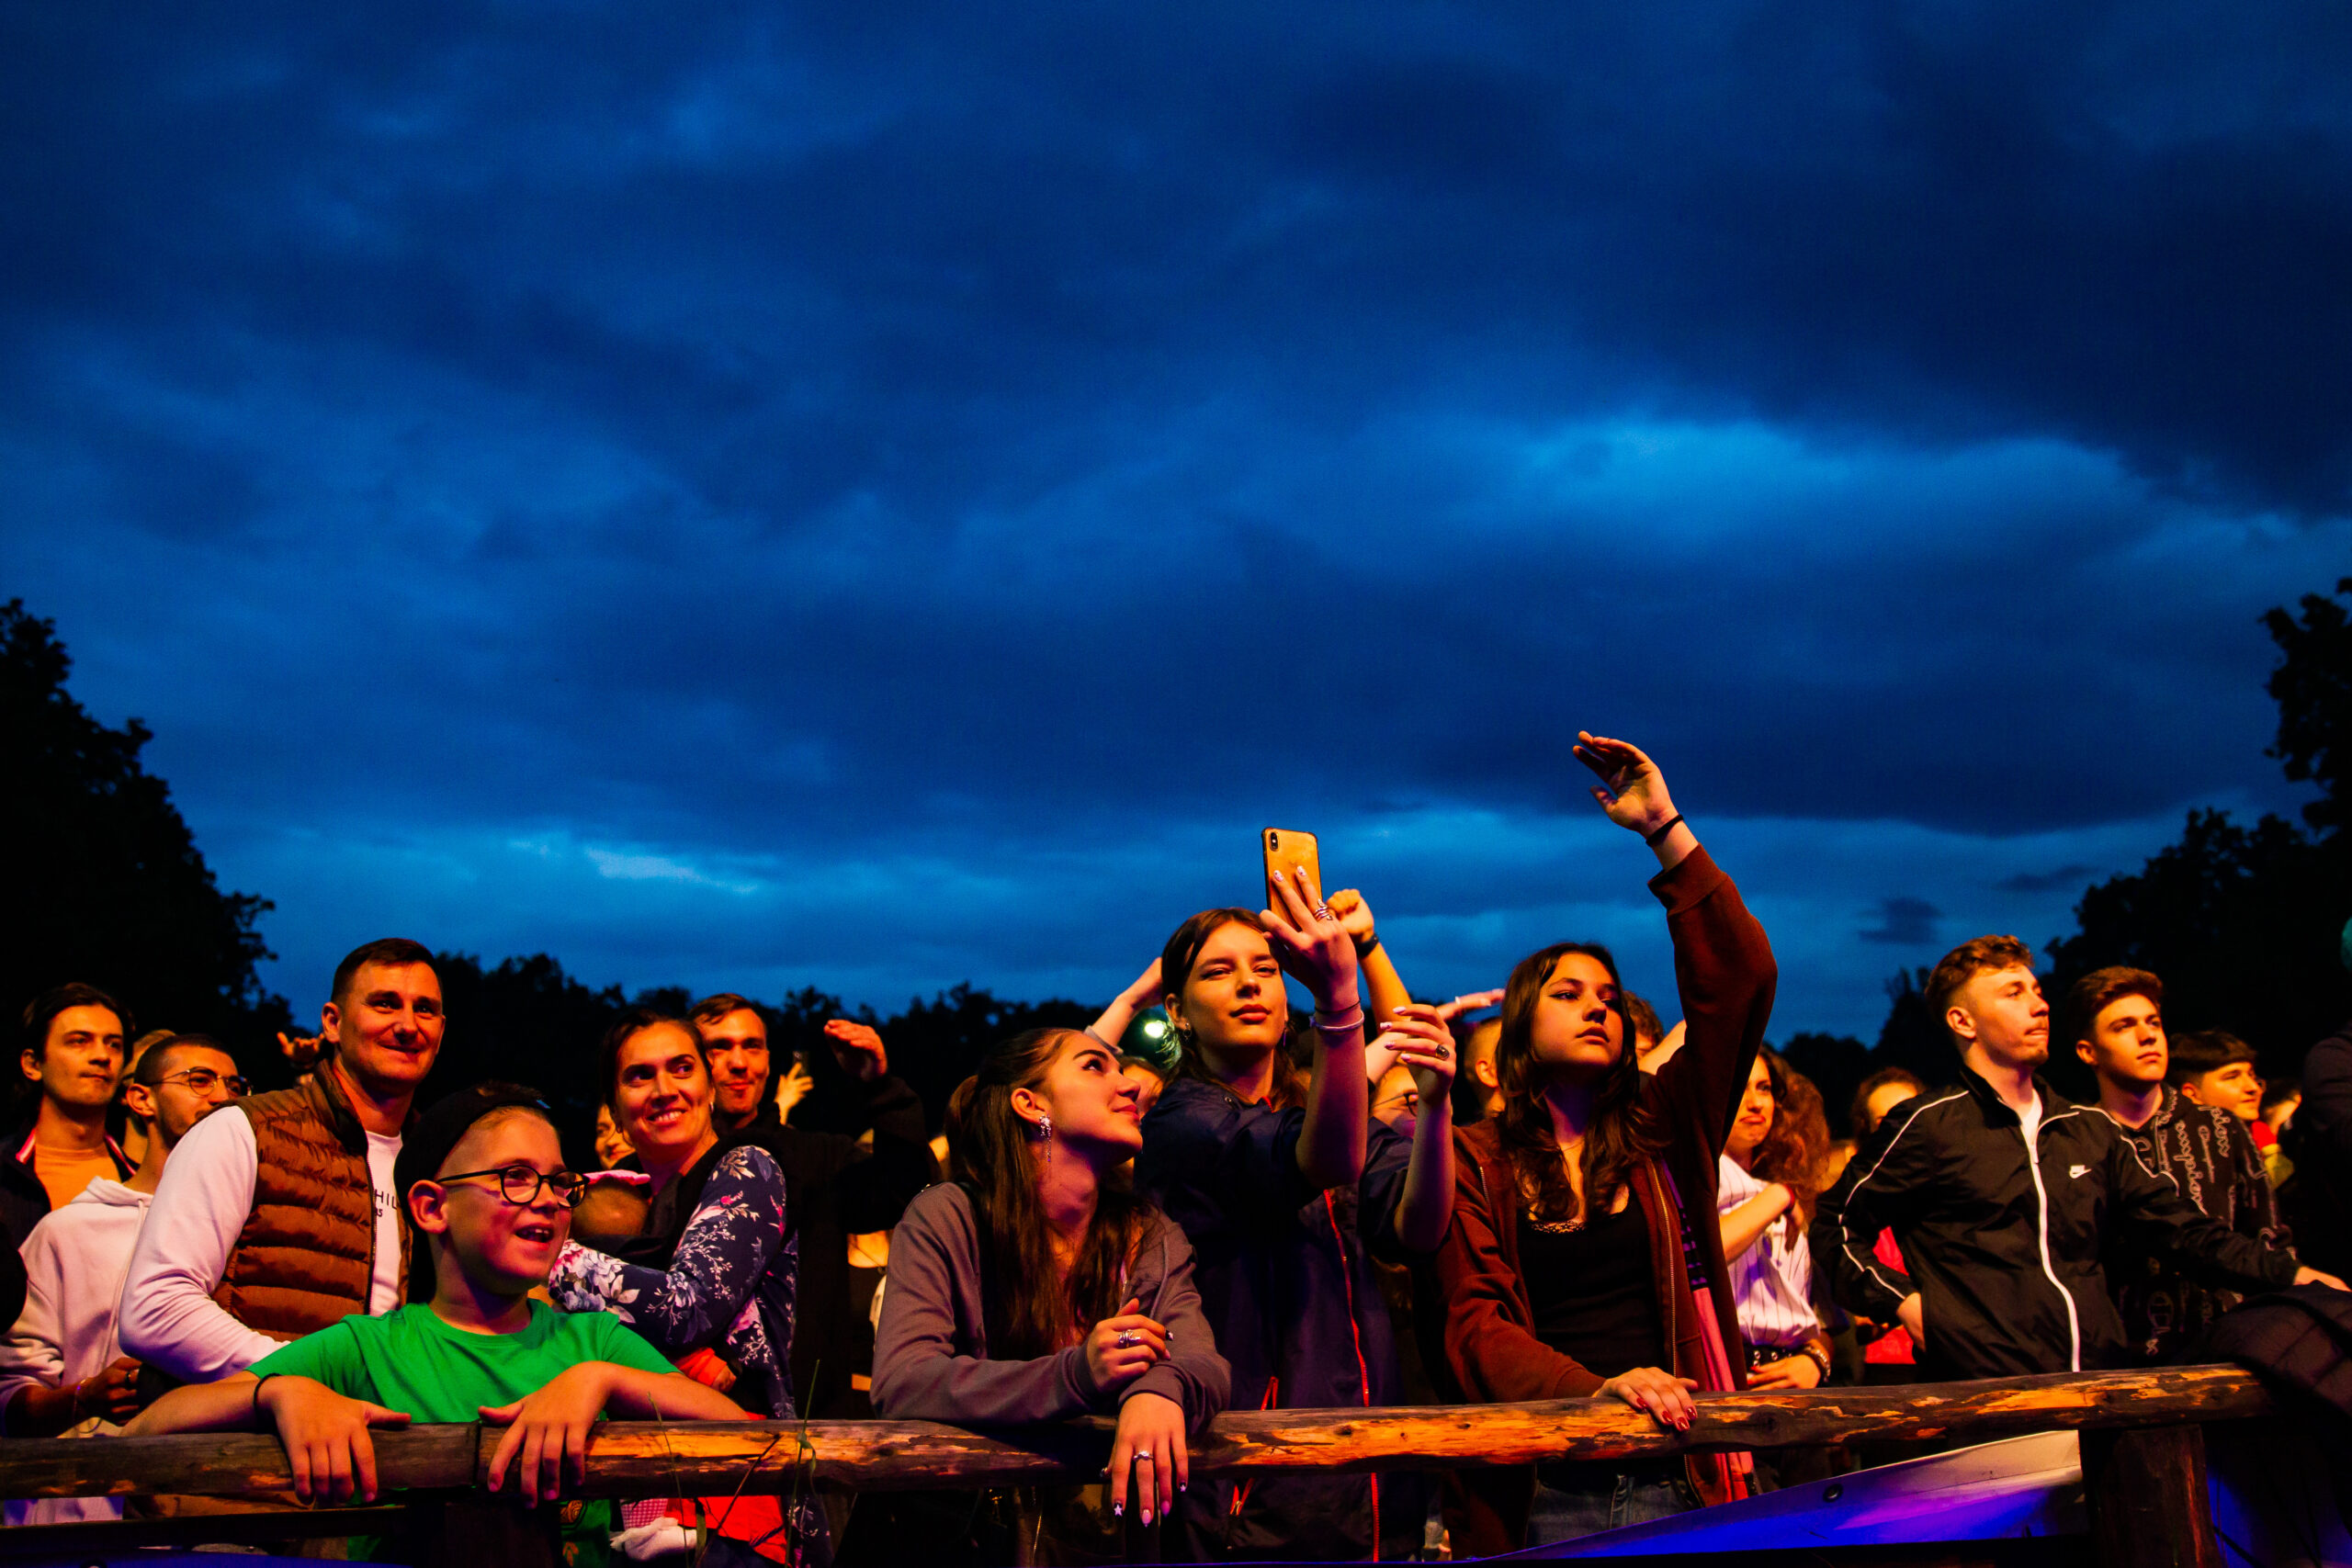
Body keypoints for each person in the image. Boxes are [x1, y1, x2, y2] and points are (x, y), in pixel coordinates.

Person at [123, 1084, 747, 1565]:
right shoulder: (369, 1347)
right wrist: (282, 1391)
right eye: (516, 1176)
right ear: (431, 1205)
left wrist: (601, 1382)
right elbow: (149, 1428)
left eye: (559, 1181)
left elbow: (751, 1436)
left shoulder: (591, 1341)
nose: (551, 1198)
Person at [1433, 734, 1775, 1550]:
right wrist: (1598, 1389)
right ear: (1520, 1026)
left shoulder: (1664, 1129)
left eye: (1611, 998)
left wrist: (1665, 828)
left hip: (1680, 1462)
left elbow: (1740, 981)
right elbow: (1475, 1322)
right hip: (1547, 1476)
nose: (1598, 1006)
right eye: (1569, 992)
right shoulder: (1474, 1155)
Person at [1815, 935, 2343, 1384]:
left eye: (2038, 991)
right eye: (2014, 993)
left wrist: (2294, 1276)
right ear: (1963, 1021)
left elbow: (2185, 1231)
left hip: (2099, 1388)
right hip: (1989, 1399)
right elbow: (1833, 1224)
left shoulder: (2086, 1129)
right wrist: (1907, 1304)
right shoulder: (1928, 1124)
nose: (2039, 1005)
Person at [1135, 863, 1457, 1562]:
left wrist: (1434, 1108)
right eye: (1219, 971)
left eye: (1266, 968)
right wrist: (1341, 1003)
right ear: (1178, 1012)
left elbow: (1417, 1227)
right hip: (1252, 1497)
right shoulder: (1184, 1121)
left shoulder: (1310, 1112)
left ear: (1287, 1004)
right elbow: (1325, 1160)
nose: (1251, 982)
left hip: (1371, 1487)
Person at [873, 1028, 1230, 1560]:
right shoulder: (949, 1216)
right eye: (1094, 1066)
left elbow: (1205, 1361)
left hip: (1104, 1544)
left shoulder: (1147, 1232)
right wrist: (1078, 1374)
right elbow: (903, 1381)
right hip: (964, 1541)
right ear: (1029, 1101)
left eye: (1121, 1069)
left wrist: (1161, 1386)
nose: (1130, 1085)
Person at [547, 1009, 822, 1562]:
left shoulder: (748, 1168)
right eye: (639, 1075)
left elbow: (685, 1307)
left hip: (732, 1477)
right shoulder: (610, 1191)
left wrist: (549, 1258)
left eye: (681, 1068)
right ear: (615, 1108)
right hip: (622, 1471)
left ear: (709, 1086)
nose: (665, 1089)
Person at [121, 939, 444, 1381]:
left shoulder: (444, 1162)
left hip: (394, 1439)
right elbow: (155, 1307)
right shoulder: (242, 1130)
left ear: (442, 1030)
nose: (408, 1025)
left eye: (425, 1009)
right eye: (385, 1004)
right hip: (244, 1439)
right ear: (332, 1023)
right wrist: (305, 1379)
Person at [0, 1033, 244, 1525]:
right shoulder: (67, 1232)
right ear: (140, 1098)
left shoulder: (252, 1229)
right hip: (80, 1523)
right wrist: (84, 1397)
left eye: (235, 1085)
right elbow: (9, 1395)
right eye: (199, 1081)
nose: (221, 1096)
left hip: (217, 1514)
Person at [689, 993, 938, 1419]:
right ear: (690, 1062)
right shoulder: (667, 1170)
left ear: (769, 1059)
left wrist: (880, 1088)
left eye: (752, 1046)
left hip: (811, 1435)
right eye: (719, 1047)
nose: (739, 1062)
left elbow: (906, 1188)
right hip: (683, 1428)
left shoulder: (815, 1159)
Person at [2066, 968, 2295, 1363]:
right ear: (2088, 1051)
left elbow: (2268, 1238)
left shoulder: (2220, 1129)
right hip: (2112, 1369)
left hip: (2227, 1359)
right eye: (2124, 1026)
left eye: (2153, 1022)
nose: (2147, 1035)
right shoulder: (2072, 1139)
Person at [1717, 1051, 1834, 1393]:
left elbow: (1822, 1316)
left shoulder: (1789, 1190)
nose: (1755, 1103)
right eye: (1740, 1088)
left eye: (1764, 1088)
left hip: (1797, 1380)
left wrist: (1815, 1360)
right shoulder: (1694, 1180)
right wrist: (1780, 1197)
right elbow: (1701, 1253)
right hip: (1727, 1374)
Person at [4, 985, 134, 1248]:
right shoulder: (4, 1172)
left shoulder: (141, 1179)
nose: (102, 1056)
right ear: (33, 1064)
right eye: (79, 1041)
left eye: (114, 1045)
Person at [1842, 1066, 1927, 1382]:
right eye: (1887, 1121)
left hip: (1957, 1361)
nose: (1903, 1127)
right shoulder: (1854, 1202)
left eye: (1912, 1114)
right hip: (1882, 1370)